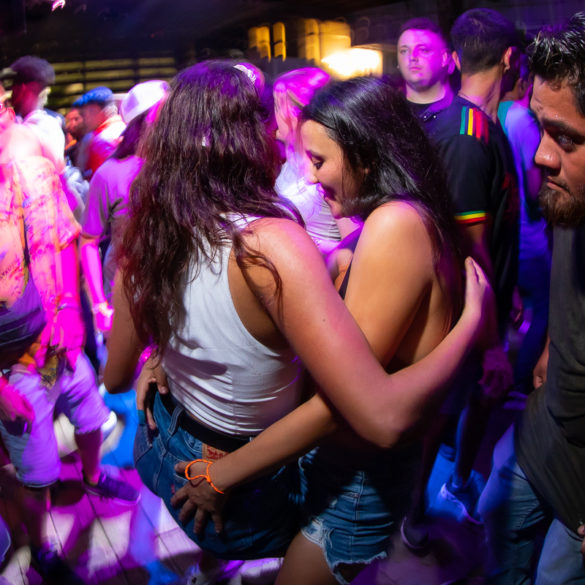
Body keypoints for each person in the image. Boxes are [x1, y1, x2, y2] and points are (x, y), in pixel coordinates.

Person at [103, 61, 491, 582]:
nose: (305, 173)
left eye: (317, 159)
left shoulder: (393, 224)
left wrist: (473, 324)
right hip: (319, 465)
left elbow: (369, 409)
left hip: (352, 484)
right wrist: (166, 353)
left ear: (367, 157)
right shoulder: (358, 231)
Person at [0, 97, 139, 585]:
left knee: (90, 418)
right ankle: (40, 547)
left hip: (56, 347)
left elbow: (65, 242)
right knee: (35, 475)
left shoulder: (34, 182)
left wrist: (73, 317)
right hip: (12, 370)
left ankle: (93, 477)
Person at [402, 8, 520, 547]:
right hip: (460, 309)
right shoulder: (470, 133)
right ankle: (415, 518)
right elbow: (472, 250)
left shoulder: (470, 125)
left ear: (452, 59)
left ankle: (425, 507)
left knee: (445, 411)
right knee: (434, 416)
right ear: (510, 60)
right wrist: (492, 342)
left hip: (473, 303)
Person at [478, 12, 585, 584]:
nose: (543, 156)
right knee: (497, 548)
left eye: (565, 137)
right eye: (543, 128)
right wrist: (546, 345)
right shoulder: (571, 195)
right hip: (539, 436)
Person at [80, 80, 168, 333]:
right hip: (127, 298)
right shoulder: (110, 173)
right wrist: (99, 306)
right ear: (146, 120)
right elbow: (88, 241)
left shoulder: (180, 166)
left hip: (174, 297)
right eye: (166, 111)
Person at [497, 51, 551, 396]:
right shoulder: (521, 118)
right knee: (546, 311)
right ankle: (519, 379)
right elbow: (536, 187)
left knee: (510, 317)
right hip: (530, 240)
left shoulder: (489, 115)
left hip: (504, 240)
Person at [273, 68, 357, 254]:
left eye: (278, 106)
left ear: (295, 114)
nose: (274, 115)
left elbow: (356, 246)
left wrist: (302, 241)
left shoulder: (328, 169)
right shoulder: (289, 161)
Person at [396, 17, 455, 119]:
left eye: (423, 50)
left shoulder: (462, 115)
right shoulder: (388, 113)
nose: (412, 57)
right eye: (404, 51)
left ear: (444, 58)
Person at [73, 86, 125, 179]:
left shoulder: (102, 140)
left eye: (89, 112)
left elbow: (104, 178)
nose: (85, 119)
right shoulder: (124, 127)